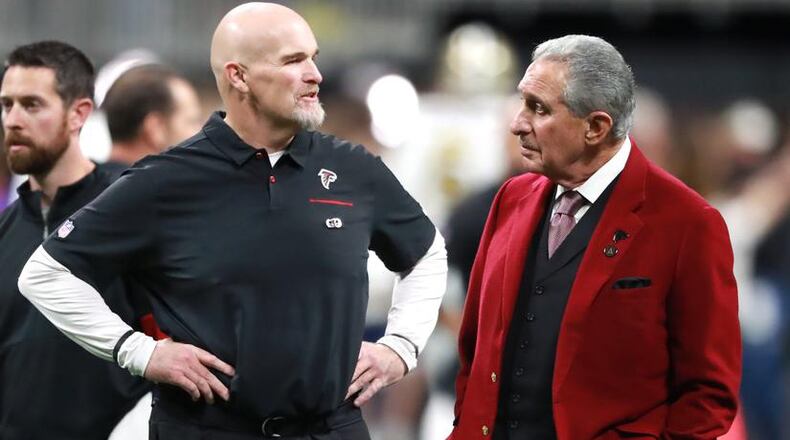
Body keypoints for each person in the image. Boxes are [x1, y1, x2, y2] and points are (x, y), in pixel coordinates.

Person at [18, 3, 447, 440]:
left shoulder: (354, 169)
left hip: (331, 428)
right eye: (293, 61)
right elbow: (47, 274)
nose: (315, 73)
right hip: (207, 428)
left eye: (313, 57)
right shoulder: (166, 179)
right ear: (238, 76)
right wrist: (139, 353)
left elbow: (426, 253)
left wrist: (401, 346)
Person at [449, 35, 740, 439]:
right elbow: (473, 352)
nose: (517, 123)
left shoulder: (688, 222)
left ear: (596, 127)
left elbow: (709, 394)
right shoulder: (511, 199)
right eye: (523, 102)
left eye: (538, 108)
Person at [0, 40, 150, 439]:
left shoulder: (129, 208)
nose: (13, 119)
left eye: (32, 105)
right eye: (6, 104)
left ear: (78, 113)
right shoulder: (6, 229)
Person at [102, 64, 203, 172]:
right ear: (155, 128)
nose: (201, 131)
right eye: (192, 121)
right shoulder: (159, 187)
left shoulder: (87, 184)